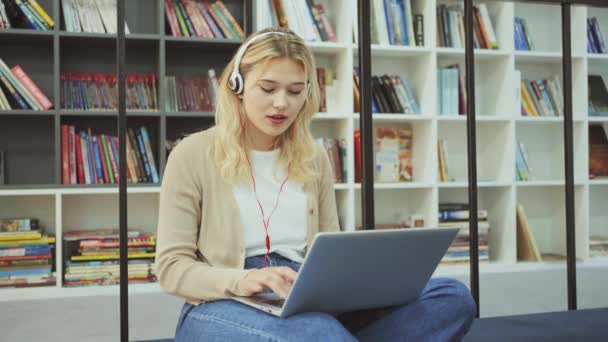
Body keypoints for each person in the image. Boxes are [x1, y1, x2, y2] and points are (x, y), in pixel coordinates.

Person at [156, 27, 476, 342]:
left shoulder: (314, 158)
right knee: (318, 332)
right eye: (268, 89)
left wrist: (353, 284)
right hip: (223, 302)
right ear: (237, 86)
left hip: (305, 296)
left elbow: (330, 249)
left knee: (452, 297)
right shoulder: (193, 153)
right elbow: (171, 268)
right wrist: (246, 279)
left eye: (295, 91)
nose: (282, 103)